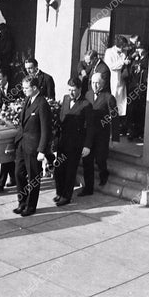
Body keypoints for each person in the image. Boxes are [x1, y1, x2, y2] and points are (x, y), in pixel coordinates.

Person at [13, 75, 52, 216]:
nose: (23, 90)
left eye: (26, 88)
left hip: (34, 147)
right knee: (18, 173)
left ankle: (30, 206)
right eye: (23, 87)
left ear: (34, 88)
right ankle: (21, 202)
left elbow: (46, 129)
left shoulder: (42, 104)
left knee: (33, 178)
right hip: (22, 144)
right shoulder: (28, 99)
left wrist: (42, 150)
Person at [54, 77, 92, 206]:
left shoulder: (86, 104)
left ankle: (66, 196)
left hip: (75, 143)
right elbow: (61, 117)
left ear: (80, 89)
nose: (71, 93)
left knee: (70, 171)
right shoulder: (65, 99)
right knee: (59, 169)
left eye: (74, 90)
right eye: (69, 89)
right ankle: (59, 192)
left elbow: (90, 127)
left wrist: (87, 146)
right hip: (62, 141)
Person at [80, 73, 119, 195]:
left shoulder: (109, 98)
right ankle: (88, 188)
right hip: (89, 135)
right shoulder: (88, 95)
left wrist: (114, 138)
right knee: (87, 160)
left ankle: (104, 173)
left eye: (97, 83)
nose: (95, 85)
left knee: (100, 158)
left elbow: (115, 118)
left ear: (103, 83)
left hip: (102, 134)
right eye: (93, 83)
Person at [104, 35, 130, 135]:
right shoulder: (109, 52)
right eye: (122, 47)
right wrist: (123, 62)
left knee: (121, 104)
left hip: (122, 81)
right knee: (112, 103)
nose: (123, 49)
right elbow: (110, 65)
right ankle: (110, 127)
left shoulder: (124, 52)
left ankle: (118, 127)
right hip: (113, 80)